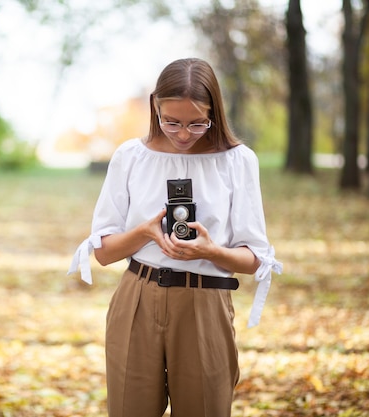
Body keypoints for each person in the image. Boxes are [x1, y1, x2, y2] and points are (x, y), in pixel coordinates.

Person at [68, 58, 282, 417]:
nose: (183, 134)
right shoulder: (131, 157)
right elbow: (103, 253)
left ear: (215, 110)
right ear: (155, 106)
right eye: (172, 122)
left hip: (205, 301)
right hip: (137, 298)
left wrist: (212, 250)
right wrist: (144, 233)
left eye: (198, 123)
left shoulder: (237, 161)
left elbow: (255, 258)